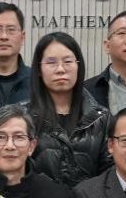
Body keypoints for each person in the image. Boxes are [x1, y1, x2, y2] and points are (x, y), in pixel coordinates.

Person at [28, 32, 112, 188]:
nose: (60, 69)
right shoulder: (23, 117)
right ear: (39, 69)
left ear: (78, 66)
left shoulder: (101, 118)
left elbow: (109, 173)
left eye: (68, 61)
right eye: (51, 62)